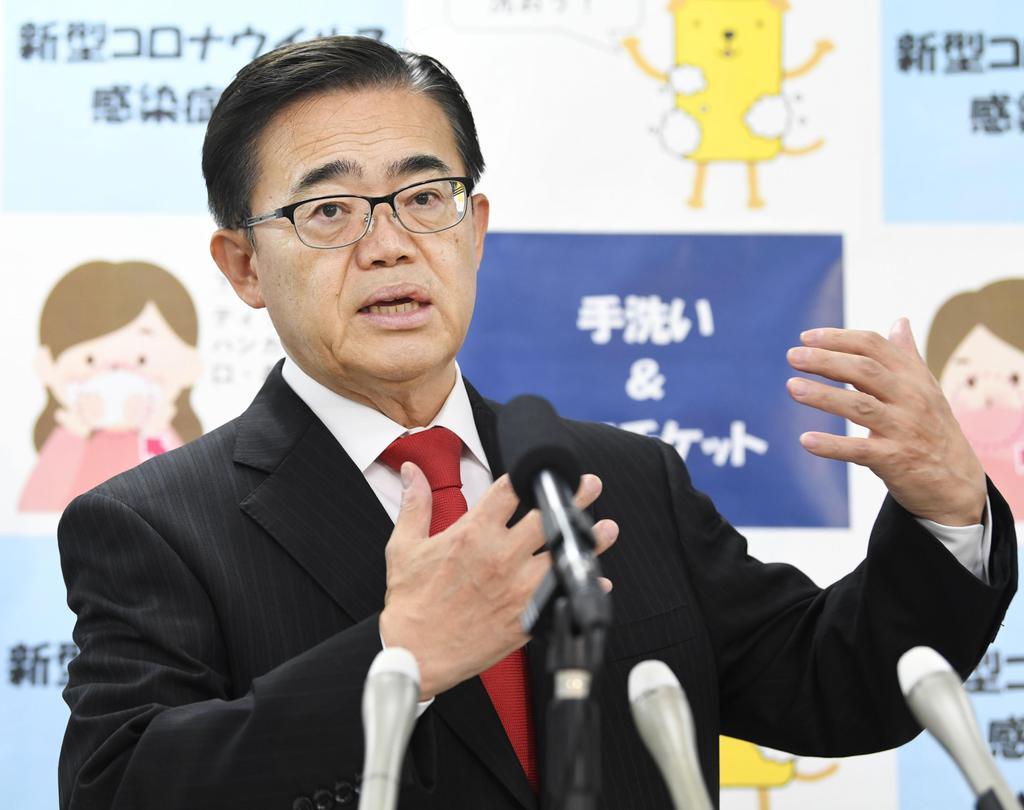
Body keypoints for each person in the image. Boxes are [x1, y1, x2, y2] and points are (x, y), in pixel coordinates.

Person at [57, 36, 1016, 810]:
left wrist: (947, 511)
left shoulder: (623, 478)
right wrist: (399, 660)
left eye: (424, 198)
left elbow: (835, 687)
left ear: (474, 229)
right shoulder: (155, 525)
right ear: (244, 266)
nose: (389, 245)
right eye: (330, 210)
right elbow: (119, 787)